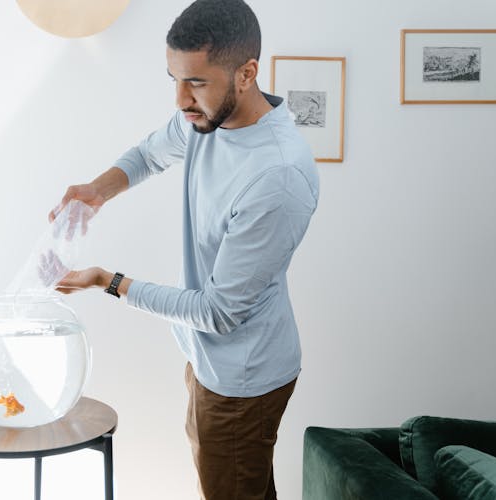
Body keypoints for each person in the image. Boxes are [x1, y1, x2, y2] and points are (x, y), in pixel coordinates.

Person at [49, 0, 319, 498]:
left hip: (242, 376)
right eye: (173, 78)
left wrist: (108, 282)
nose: (180, 99)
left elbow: (218, 312)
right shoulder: (207, 119)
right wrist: (98, 190)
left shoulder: (277, 176)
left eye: (195, 81)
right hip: (208, 358)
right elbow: (152, 153)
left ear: (246, 73)